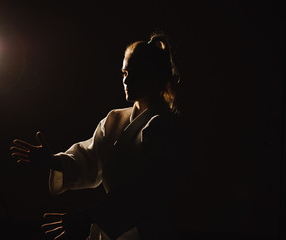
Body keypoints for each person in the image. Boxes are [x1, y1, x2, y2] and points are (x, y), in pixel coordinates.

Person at [11, 33, 191, 240]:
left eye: (136, 72)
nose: (127, 80)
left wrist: (90, 217)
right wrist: (53, 161)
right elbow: (90, 158)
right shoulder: (115, 120)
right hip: (110, 226)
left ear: (153, 76)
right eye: (124, 72)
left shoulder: (167, 127)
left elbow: (144, 190)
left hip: (149, 231)